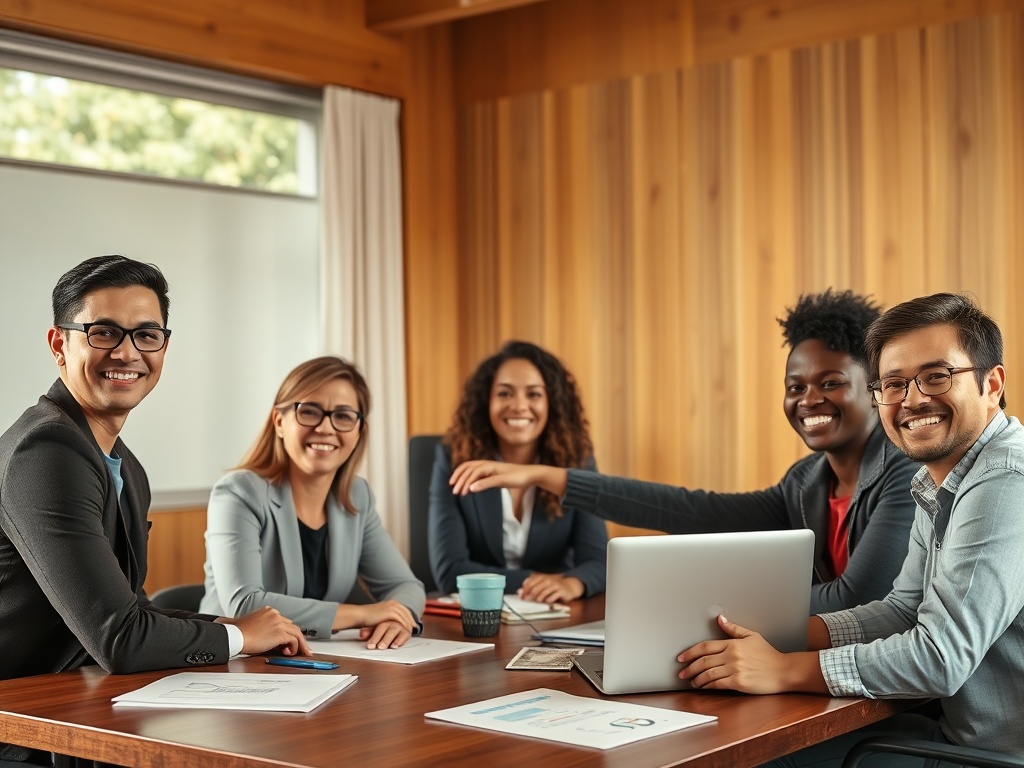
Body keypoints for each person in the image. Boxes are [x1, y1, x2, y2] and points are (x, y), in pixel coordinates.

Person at [671, 292, 1024, 765]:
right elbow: (903, 610)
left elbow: (940, 658)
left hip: (988, 757)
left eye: (936, 376)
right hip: (956, 737)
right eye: (893, 384)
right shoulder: (936, 476)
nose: (912, 399)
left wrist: (784, 670)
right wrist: (779, 631)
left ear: (992, 383)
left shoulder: (1005, 479)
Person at [450, 291, 918, 613]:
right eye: (795, 386)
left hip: (889, 701)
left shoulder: (905, 471)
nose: (808, 399)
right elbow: (694, 510)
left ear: (875, 388)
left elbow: (858, 602)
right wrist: (544, 476)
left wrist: (710, 606)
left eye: (830, 383)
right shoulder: (805, 483)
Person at [0, 257, 309, 705]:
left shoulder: (124, 464)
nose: (128, 354)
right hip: (22, 728)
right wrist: (240, 636)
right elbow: (119, 638)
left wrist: (224, 629)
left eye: (147, 335)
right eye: (103, 332)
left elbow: (132, 611)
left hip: (74, 707)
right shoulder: (46, 452)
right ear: (59, 345)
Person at [200, 356, 425, 650]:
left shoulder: (357, 496)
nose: (325, 428)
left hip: (315, 662)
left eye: (343, 416)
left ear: (359, 432)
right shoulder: (239, 493)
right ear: (279, 422)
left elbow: (406, 586)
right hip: (233, 664)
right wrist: (361, 614)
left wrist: (398, 617)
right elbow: (245, 606)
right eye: (309, 412)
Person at [429, 340, 607, 604]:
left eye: (533, 394)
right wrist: (539, 581)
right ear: (484, 402)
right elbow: (450, 571)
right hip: (477, 614)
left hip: (555, 615)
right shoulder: (455, 459)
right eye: (504, 393)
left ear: (552, 404)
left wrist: (573, 583)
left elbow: (599, 561)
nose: (519, 406)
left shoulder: (576, 461)